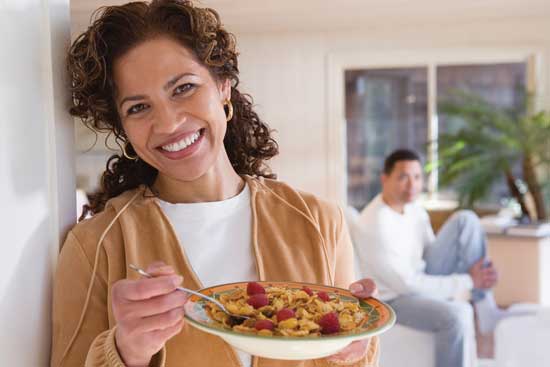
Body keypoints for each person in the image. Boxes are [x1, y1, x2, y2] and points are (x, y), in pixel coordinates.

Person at [50, 1, 378, 367]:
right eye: (138, 108)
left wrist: (352, 349)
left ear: (223, 86)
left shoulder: (319, 221)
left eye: (183, 88)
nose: (169, 123)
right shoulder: (95, 246)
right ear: (123, 128)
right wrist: (127, 351)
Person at [354, 149, 503, 367]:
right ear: (384, 179)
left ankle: (485, 306)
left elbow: (429, 253)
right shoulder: (375, 223)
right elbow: (407, 285)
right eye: (403, 177)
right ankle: (482, 298)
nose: (412, 185)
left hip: (417, 277)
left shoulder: (414, 210)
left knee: (467, 220)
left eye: (416, 177)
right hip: (393, 298)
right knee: (456, 316)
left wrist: (479, 274)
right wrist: (469, 281)